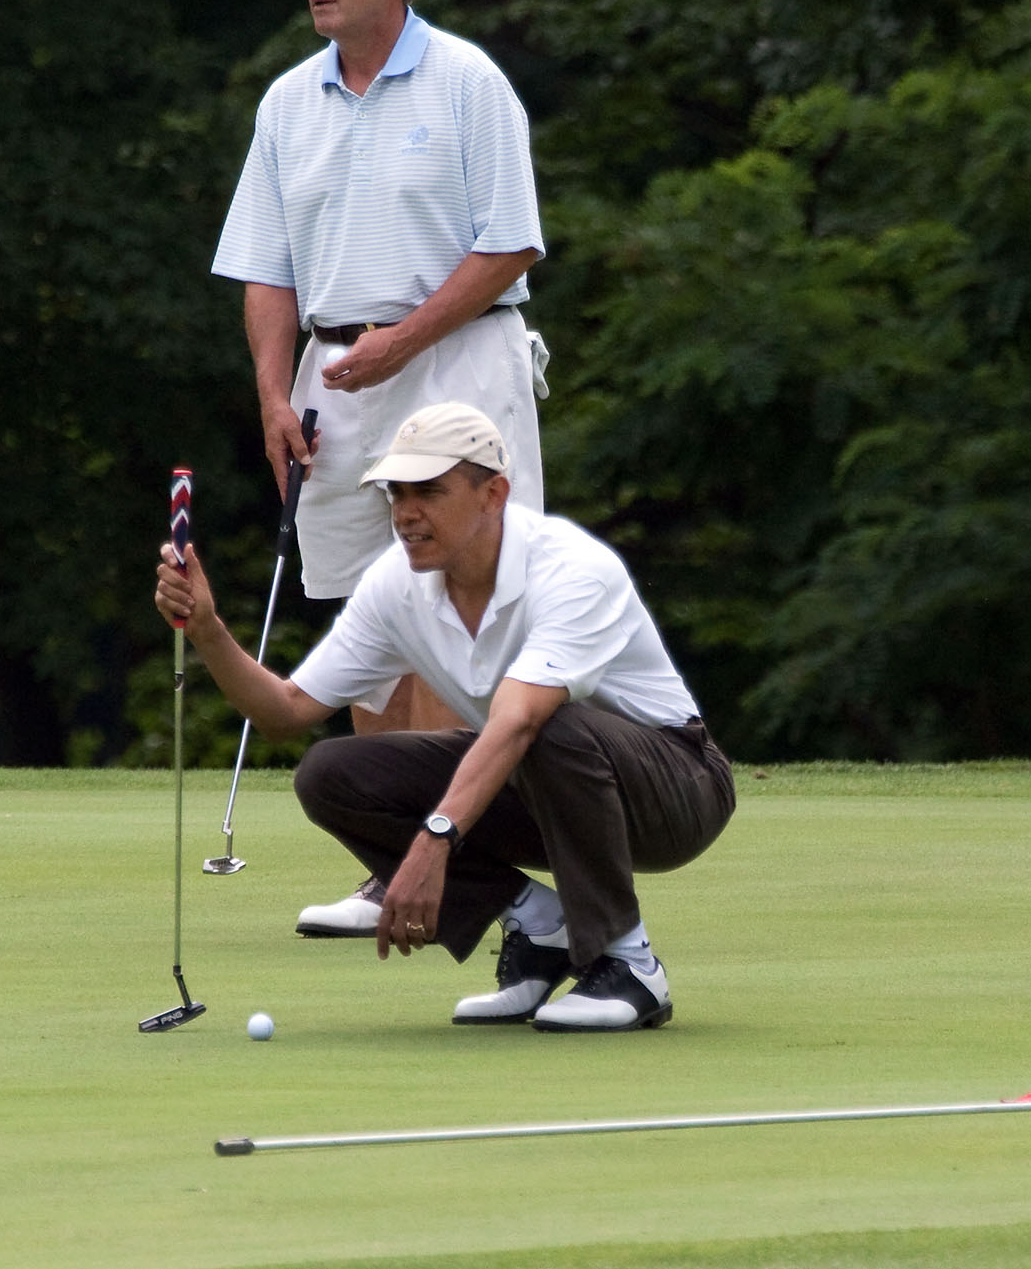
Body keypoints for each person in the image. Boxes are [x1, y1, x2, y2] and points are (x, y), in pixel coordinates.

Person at [152, 403, 735, 1031]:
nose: (406, 513)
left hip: (677, 790)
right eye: (396, 493)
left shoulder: (571, 569)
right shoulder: (396, 583)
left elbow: (517, 722)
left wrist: (434, 840)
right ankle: (540, 929)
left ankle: (630, 962)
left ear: (494, 493)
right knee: (329, 774)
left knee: (543, 722)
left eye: (429, 491)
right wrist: (208, 631)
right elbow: (287, 712)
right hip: (541, 783)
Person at [211, 0, 549, 937]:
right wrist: (275, 393)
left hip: (455, 361)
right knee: (372, 610)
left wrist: (401, 342)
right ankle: (387, 861)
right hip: (334, 376)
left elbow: (512, 244)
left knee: (457, 609)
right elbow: (265, 270)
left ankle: (447, 857)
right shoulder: (286, 104)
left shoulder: (467, 82)